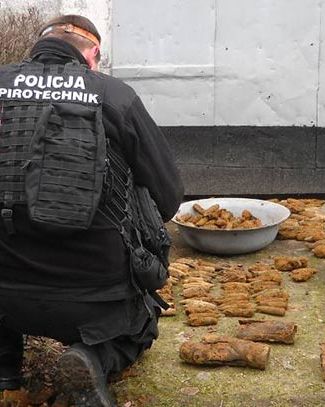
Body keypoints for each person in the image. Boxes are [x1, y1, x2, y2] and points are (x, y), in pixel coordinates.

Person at [0, 14, 183, 405]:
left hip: (5, 292)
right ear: (93, 53)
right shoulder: (114, 95)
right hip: (96, 297)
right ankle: (91, 358)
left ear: (38, 45)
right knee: (144, 322)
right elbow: (169, 198)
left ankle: (5, 369)